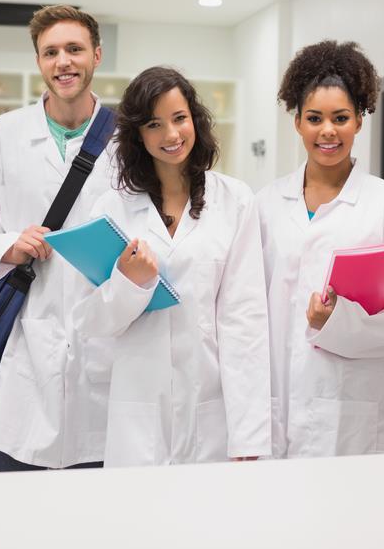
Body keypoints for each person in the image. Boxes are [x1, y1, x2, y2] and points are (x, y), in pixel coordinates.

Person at [69, 66, 271, 466]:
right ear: (138, 135)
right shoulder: (112, 209)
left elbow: (244, 321)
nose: (172, 135)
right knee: (139, 524)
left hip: (210, 408)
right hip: (138, 409)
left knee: (209, 525)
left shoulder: (235, 201)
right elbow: (89, 321)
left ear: (195, 119)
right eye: (154, 124)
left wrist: (248, 436)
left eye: (180, 119)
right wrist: (131, 284)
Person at [0, 5, 118, 470]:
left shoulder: (126, 140)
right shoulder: (6, 132)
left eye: (74, 49)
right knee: (16, 497)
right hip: (25, 332)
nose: (63, 61)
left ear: (97, 55)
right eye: (50, 52)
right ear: (39, 62)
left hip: (102, 337)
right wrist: (8, 244)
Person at [255, 40, 384, 457]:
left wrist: (340, 320)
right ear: (297, 121)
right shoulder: (265, 204)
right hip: (275, 397)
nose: (328, 131)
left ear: (359, 121)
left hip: (349, 403)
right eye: (315, 118)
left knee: (351, 516)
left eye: (341, 118)